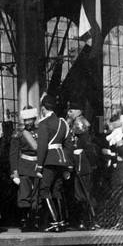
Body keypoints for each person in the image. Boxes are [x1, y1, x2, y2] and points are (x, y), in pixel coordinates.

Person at [35, 93, 71, 232]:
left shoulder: (44, 123)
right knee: (57, 190)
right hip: (61, 160)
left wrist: (39, 165)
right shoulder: (63, 123)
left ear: (43, 108)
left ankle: (55, 221)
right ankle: (61, 221)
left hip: (49, 160)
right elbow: (68, 145)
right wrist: (68, 165)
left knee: (44, 190)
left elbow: (42, 146)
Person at [66, 102, 98, 230]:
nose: (69, 112)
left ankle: (87, 220)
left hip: (82, 162)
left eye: (71, 109)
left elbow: (84, 144)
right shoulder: (76, 122)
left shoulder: (80, 123)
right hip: (79, 162)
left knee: (83, 193)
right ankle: (85, 220)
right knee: (81, 193)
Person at [10, 106, 41, 231]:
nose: (28, 122)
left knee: (37, 195)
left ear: (34, 119)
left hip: (37, 166)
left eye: (30, 119)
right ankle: (25, 221)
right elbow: (13, 154)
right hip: (24, 166)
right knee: (24, 195)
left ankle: (34, 220)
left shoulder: (41, 131)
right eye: (26, 120)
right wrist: (15, 173)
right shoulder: (18, 133)